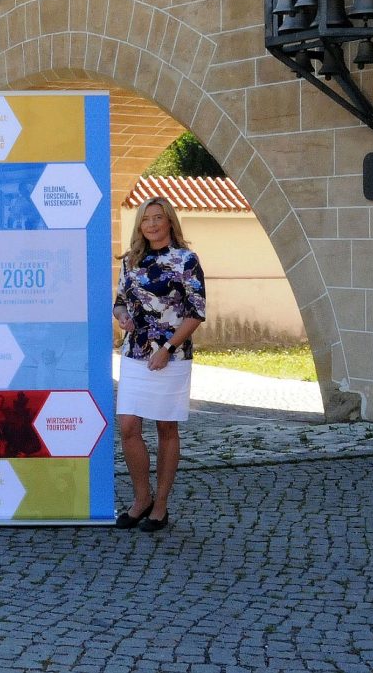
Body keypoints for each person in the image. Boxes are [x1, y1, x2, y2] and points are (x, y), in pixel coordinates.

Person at [113, 196, 205, 532]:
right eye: (146, 219)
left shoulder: (186, 260)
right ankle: (142, 498)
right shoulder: (131, 261)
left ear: (169, 221)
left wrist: (167, 347)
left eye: (158, 217)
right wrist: (122, 316)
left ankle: (161, 505)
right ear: (140, 225)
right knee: (127, 426)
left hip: (173, 356)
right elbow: (120, 303)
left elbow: (197, 312)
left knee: (166, 428)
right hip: (135, 354)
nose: (151, 224)